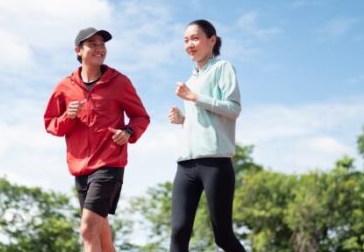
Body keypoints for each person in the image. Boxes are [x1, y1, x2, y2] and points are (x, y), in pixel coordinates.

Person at [44, 27, 150, 252]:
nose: (99, 48)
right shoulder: (65, 86)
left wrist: (129, 132)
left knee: (87, 229)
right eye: (92, 44)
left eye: (102, 44)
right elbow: (51, 124)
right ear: (78, 51)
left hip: (109, 165)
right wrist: (68, 116)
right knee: (102, 235)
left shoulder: (119, 82)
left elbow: (140, 116)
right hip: (80, 168)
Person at [168, 19, 246, 252]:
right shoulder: (192, 79)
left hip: (215, 163)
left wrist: (195, 98)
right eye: (185, 40)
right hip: (185, 165)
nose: (189, 44)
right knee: (179, 232)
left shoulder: (223, 68)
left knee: (223, 236)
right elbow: (205, 118)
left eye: (194, 38)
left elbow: (233, 109)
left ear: (212, 40)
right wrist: (183, 119)